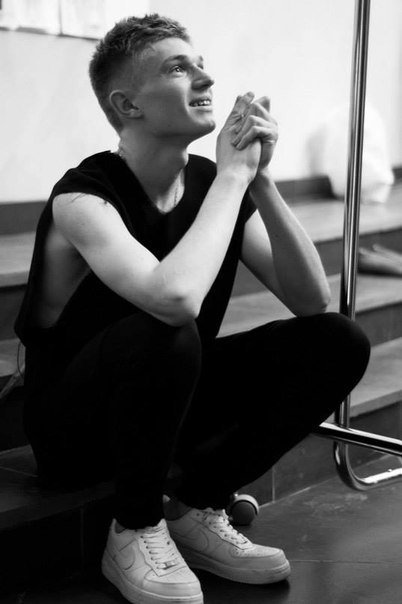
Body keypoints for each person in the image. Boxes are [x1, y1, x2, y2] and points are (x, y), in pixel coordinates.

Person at [15, 14, 371, 604]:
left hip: (167, 403)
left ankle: (196, 506)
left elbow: (312, 298)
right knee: (170, 329)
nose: (205, 77)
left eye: (201, 63)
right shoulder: (82, 198)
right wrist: (232, 179)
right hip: (77, 430)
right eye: (179, 68)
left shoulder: (212, 182)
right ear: (127, 105)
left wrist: (258, 180)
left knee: (338, 340)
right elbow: (174, 299)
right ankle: (133, 528)